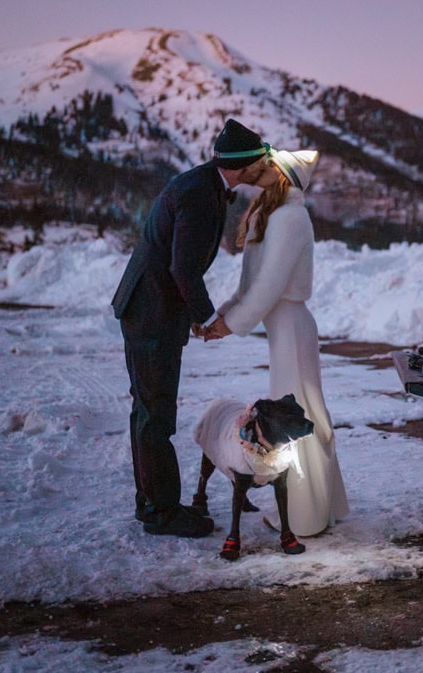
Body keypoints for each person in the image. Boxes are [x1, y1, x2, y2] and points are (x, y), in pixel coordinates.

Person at [112, 118, 271, 538]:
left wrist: (194, 314)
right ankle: (162, 512)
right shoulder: (201, 194)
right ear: (244, 165)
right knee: (156, 413)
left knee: (147, 410)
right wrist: (205, 318)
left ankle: (151, 502)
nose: (263, 172)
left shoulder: (203, 185)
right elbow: (182, 267)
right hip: (152, 314)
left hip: (149, 309)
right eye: (260, 164)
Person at [202, 148, 350, 537]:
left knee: (301, 417)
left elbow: (269, 288)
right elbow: (250, 284)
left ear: (284, 176)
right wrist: (221, 316)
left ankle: (306, 515)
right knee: (301, 414)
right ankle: (317, 507)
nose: (259, 168)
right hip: (281, 329)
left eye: (268, 166)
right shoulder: (268, 216)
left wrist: (230, 324)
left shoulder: (290, 218)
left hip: (293, 328)